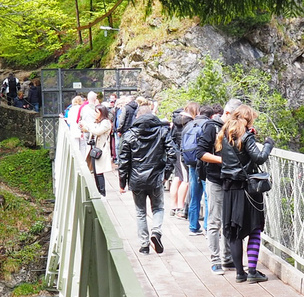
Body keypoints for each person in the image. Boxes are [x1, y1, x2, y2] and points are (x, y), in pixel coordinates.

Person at [217, 105, 275, 283]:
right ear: (248, 119)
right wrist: (268, 144)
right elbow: (258, 158)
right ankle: (252, 271)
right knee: (255, 228)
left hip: (229, 189)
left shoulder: (224, 135)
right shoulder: (246, 136)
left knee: (234, 232)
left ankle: (239, 274)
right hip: (247, 189)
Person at [116, 99, 175, 255]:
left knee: (140, 212)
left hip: (136, 179)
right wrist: (166, 174)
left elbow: (123, 161)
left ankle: (144, 246)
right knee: (158, 208)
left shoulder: (129, 135)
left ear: (137, 116)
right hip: (156, 177)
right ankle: (156, 232)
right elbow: (172, 154)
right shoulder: (162, 131)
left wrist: (122, 182)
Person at [197, 103, 231, 271]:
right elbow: (201, 153)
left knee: (228, 220)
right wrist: (222, 161)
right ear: (228, 112)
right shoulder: (211, 127)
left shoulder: (234, 128)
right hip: (215, 179)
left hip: (231, 180)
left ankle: (227, 257)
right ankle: (215, 260)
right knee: (214, 220)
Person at [179, 103, 211, 235]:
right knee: (207, 196)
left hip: (191, 163)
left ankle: (193, 226)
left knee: (194, 195)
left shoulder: (188, 125)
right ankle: (208, 227)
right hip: (204, 163)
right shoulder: (208, 125)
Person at [82, 105, 114, 195]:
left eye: (97, 112)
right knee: (95, 172)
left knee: (99, 172)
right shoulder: (98, 122)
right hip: (95, 149)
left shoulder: (106, 122)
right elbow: (93, 128)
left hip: (101, 150)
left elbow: (98, 131)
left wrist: (87, 128)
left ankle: (102, 193)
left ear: (101, 113)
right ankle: (99, 192)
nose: (95, 114)